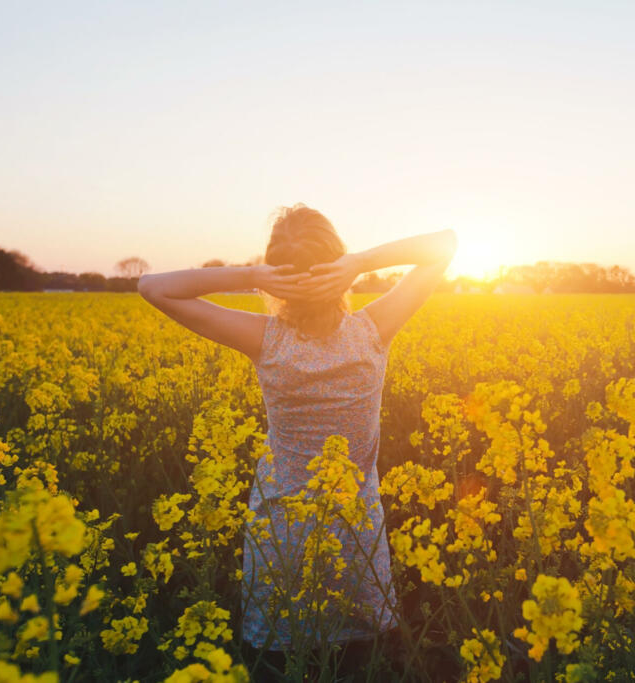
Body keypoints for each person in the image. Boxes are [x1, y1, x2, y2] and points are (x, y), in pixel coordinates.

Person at [138, 204, 457, 680]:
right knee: (359, 663)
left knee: (281, 665)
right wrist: (360, 262)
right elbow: (444, 244)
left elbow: (152, 286)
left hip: (281, 532)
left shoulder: (264, 339)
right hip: (356, 531)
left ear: (274, 278)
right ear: (338, 267)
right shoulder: (374, 331)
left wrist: (251, 274)